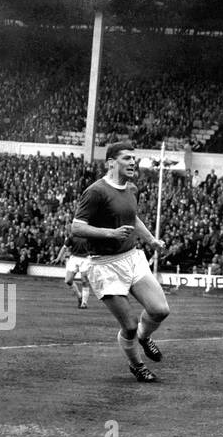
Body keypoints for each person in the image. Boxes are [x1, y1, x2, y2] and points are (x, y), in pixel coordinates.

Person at [70, 140, 170, 383]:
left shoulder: (132, 189)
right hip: (104, 265)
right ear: (111, 163)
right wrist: (110, 233)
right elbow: (76, 227)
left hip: (132, 258)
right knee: (130, 325)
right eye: (127, 158)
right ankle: (136, 365)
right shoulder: (96, 191)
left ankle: (146, 338)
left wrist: (151, 240)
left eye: (134, 159)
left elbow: (132, 218)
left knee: (160, 310)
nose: (133, 162)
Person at [59, 233, 92, 309]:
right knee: (68, 280)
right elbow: (64, 247)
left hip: (86, 258)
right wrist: (58, 258)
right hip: (74, 258)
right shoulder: (72, 236)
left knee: (84, 280)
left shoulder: (88, 235)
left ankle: (84, 303)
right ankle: (80, 297)